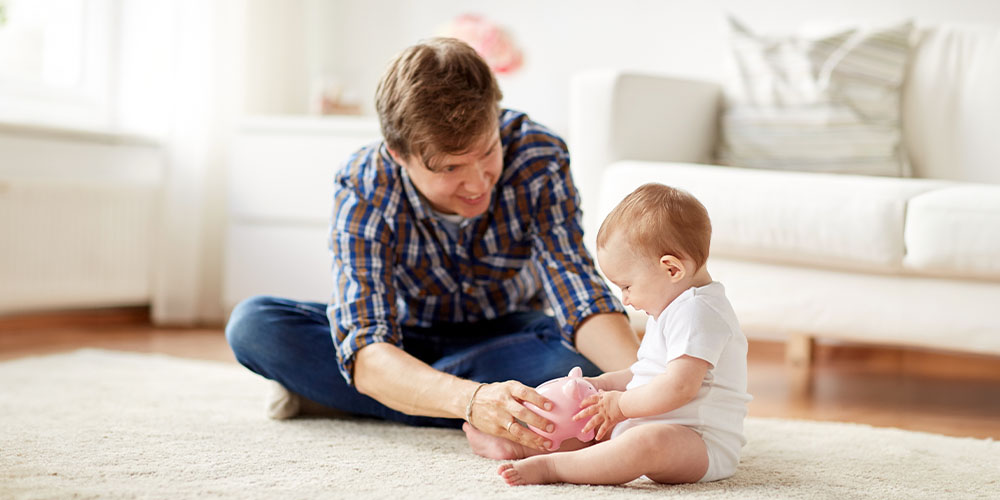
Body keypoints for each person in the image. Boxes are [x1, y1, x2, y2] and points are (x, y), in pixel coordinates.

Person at [224, 37, 639, 454]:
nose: (478, 183)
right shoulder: (365, 183)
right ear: (398, 154)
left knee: (581, 367)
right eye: (451, 167)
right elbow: (368, 344)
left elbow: (576, 290)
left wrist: (647, 386)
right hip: (401, 340)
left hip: (507, 338)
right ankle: (446, 400)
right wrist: (473, 401)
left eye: (488, 151)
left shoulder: (539, 155)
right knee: (256, 326)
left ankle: (358, 397)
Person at [488, 183, 752, 485]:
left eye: (627, 286)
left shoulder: (698, 311)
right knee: (587, 421)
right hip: (646, 422)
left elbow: (679, 387)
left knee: (645, 445)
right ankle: (519, 446)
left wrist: (621, 406)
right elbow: (643, 374)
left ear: (671, 269)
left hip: (699, 442)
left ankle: (553, 468)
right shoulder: (671, 306)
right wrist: (601, 385)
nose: (624, 299)